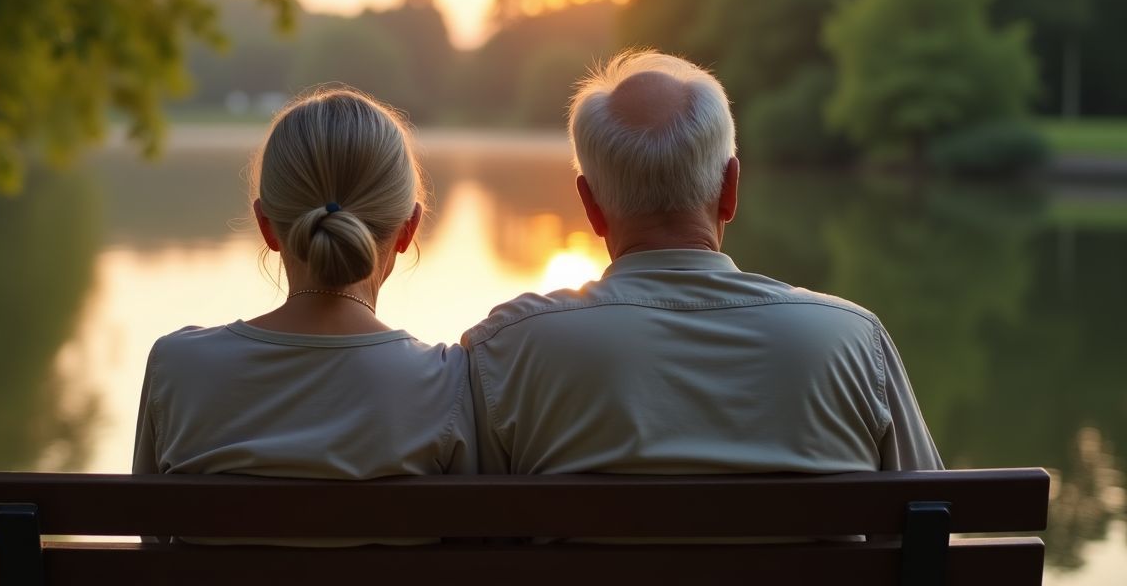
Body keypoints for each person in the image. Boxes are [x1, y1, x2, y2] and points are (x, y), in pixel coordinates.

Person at [462, 50, 942, 475]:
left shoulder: (508, 351)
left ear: (590, 206)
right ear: (730, 189)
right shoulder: (853, 342)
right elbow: (929, 526)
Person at [133, 87, 474, 484]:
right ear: (408, 229)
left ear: (266, 226)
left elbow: (151, 533)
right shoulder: (445, 383)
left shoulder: (178, 368)